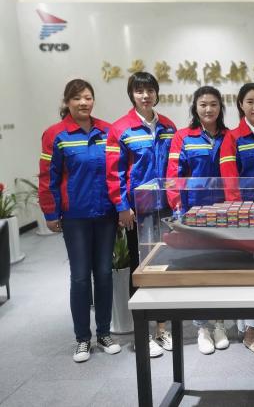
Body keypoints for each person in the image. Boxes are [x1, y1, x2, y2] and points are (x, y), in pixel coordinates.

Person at [38, 79, 121, 362]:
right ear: (67, 102)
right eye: (77, 98)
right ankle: (82, 338)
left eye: (87, 97)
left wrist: (120, 206)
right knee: (81, 277)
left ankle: (105, 332)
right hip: (75, 217)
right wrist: (50, 212)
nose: (83, 103)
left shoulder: (107, 131)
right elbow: (47, 177)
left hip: (106, 214)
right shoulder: (55, 135)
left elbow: (116, 173)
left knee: (105, 274)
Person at [106, 71, 176, 358]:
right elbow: (114, 173)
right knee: (140, 269)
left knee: (165, 265)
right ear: (132, 95)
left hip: (164, 208)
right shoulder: (120, 129)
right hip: (138, 211)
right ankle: (141, 333)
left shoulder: (169, 126)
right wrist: (122, 206)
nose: (145, 95)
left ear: (157, 93)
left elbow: (174, 168)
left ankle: (162, 328)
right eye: (139, 91)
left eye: (149, 90)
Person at [166, 86, 231, 356]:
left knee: (222, 267)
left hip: (224, 211)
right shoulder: (183, 137)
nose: (208, 109)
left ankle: (220, 323)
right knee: (198, 268)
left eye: (213, 104)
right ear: (195, 107)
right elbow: (173, 175)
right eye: (203, 104)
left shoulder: (229, 136)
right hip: (193, 211)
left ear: (220, 108)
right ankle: (202, 326)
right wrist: (177, 206)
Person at [219, 82, 254, 354]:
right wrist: (238, 212)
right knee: (250, 270)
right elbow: (230, 179)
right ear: (241, 105)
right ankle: (249, 330)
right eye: (250, 102)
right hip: (247, 212)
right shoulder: (233, 137)